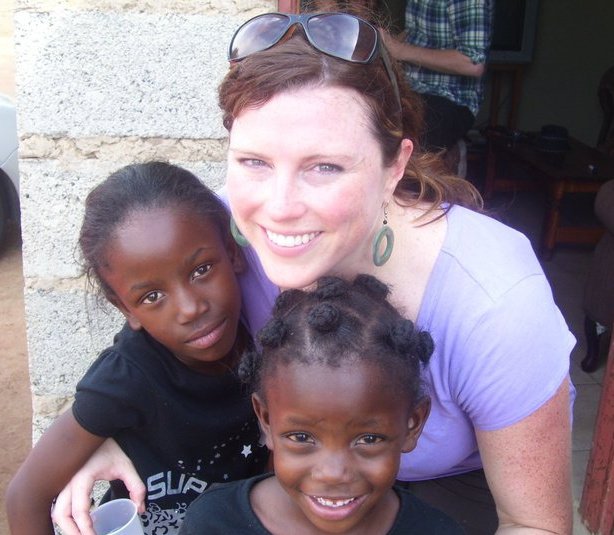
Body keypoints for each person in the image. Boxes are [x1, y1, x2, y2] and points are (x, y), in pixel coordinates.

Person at [52, 9, 574, 535]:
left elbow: (537, 524)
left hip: (445, 490)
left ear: (394, 166)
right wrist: (113, 434)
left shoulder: (494, 303)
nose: (277, 209)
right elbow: (156, 340)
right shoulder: (221, 236)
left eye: (324, 166)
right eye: (254, 161)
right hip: (294, 466)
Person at [5, 162, 268, 535]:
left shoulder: (270, 342)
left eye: (202, 270)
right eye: (152, 296)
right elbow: (25, 496)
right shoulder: (126, 377)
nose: (190, 308)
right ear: (126, 309)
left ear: (233, 252)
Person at [179, 275, 463, 534]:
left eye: (368, 439)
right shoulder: (214, 523)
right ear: (265, 420)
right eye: (301, 437)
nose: (333, 473)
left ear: (412, 424)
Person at [381, 0, 492, 152]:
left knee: (401, 146)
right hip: (410, 88)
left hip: (448, 98)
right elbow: (417, 34)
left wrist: (400, 50)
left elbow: (473, 63)